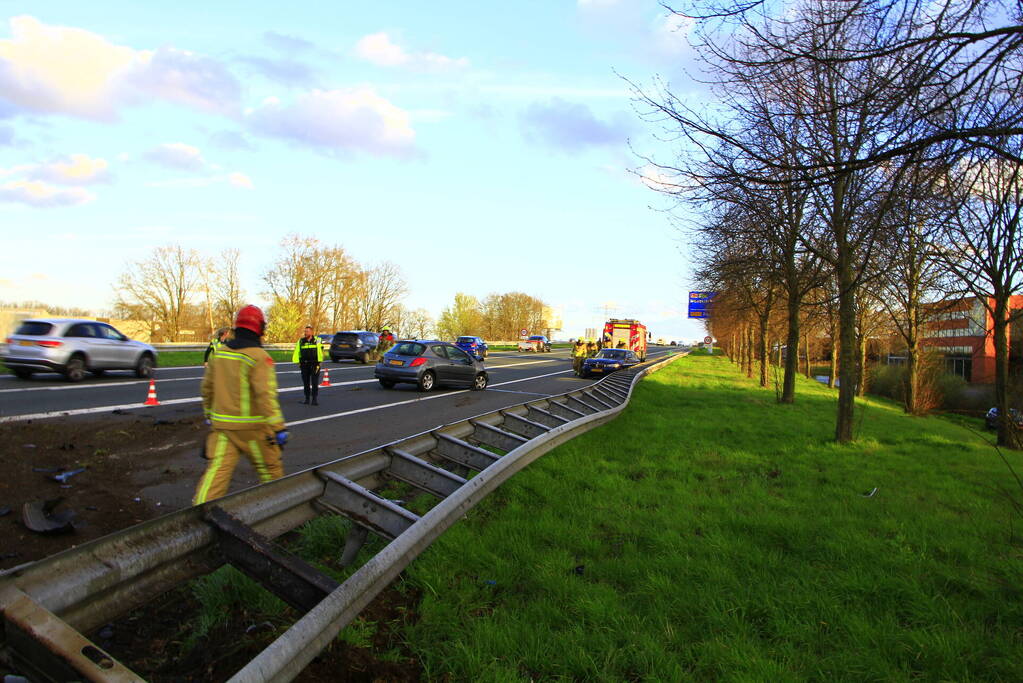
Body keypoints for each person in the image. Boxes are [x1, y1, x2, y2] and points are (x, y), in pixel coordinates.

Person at [193, 305, 287, 506]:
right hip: (253, 430)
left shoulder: (219, 354)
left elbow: (207, 389)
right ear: (260, 328)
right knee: (270, 472)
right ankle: (281, 514)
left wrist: (210, 416)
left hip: (223, 428)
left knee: (216, 476)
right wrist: (278, 427)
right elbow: (266, 397)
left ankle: (198, 518)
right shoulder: (259, 357)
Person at [292, 325, 325, 406]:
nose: (305, 333)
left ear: (311, 332)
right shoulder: (301, 341)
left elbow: (321, 351)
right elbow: (297, 352)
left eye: (307, 331)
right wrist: (299, 363)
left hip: (315, 364)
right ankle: (307, 399)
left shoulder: (317, 340)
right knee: (306, 383)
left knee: (314, 382)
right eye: (305, 331)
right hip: (304, 364)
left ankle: (314, 399)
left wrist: (320, 362)